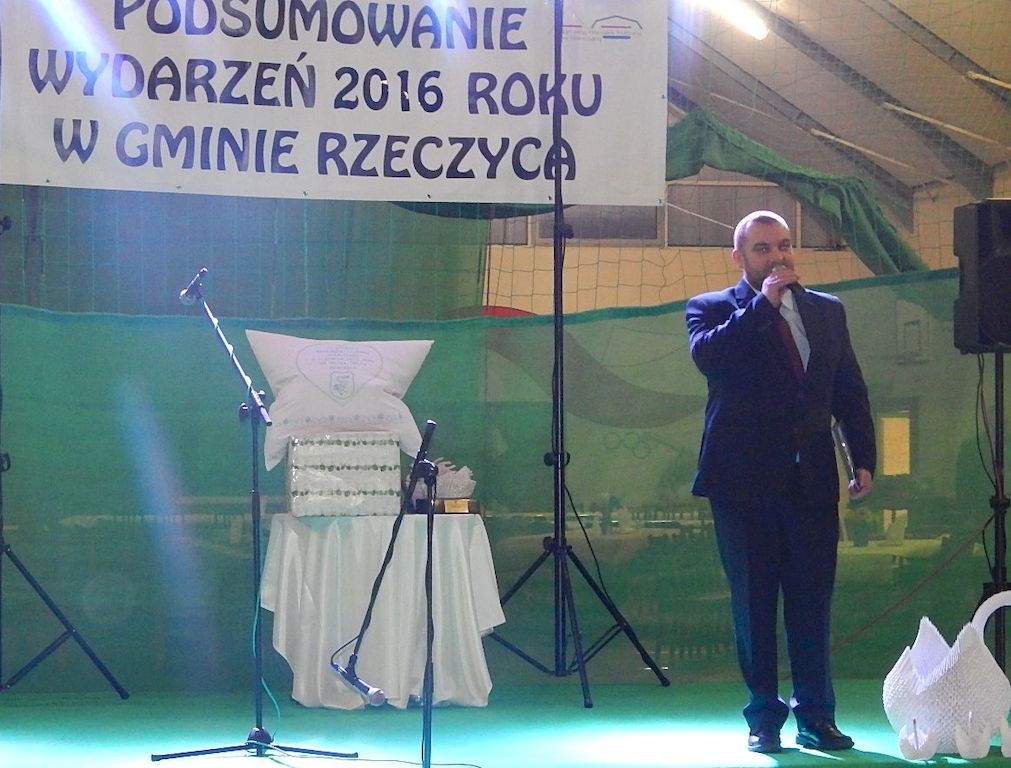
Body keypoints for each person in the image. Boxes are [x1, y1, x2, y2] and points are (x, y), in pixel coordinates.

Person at [685, 210, 875, 754]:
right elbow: (710, 358)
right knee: (754, 603)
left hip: (811, 479)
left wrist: (863, 458)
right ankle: (763, 719)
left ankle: (816, 716)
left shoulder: (827, 311)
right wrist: (763, 307)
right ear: (739, 257)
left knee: (812, 602)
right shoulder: (712, 308)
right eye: (764, 248)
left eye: (785, 245)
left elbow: (848, 388)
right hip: (740, 483)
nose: (778, 256)